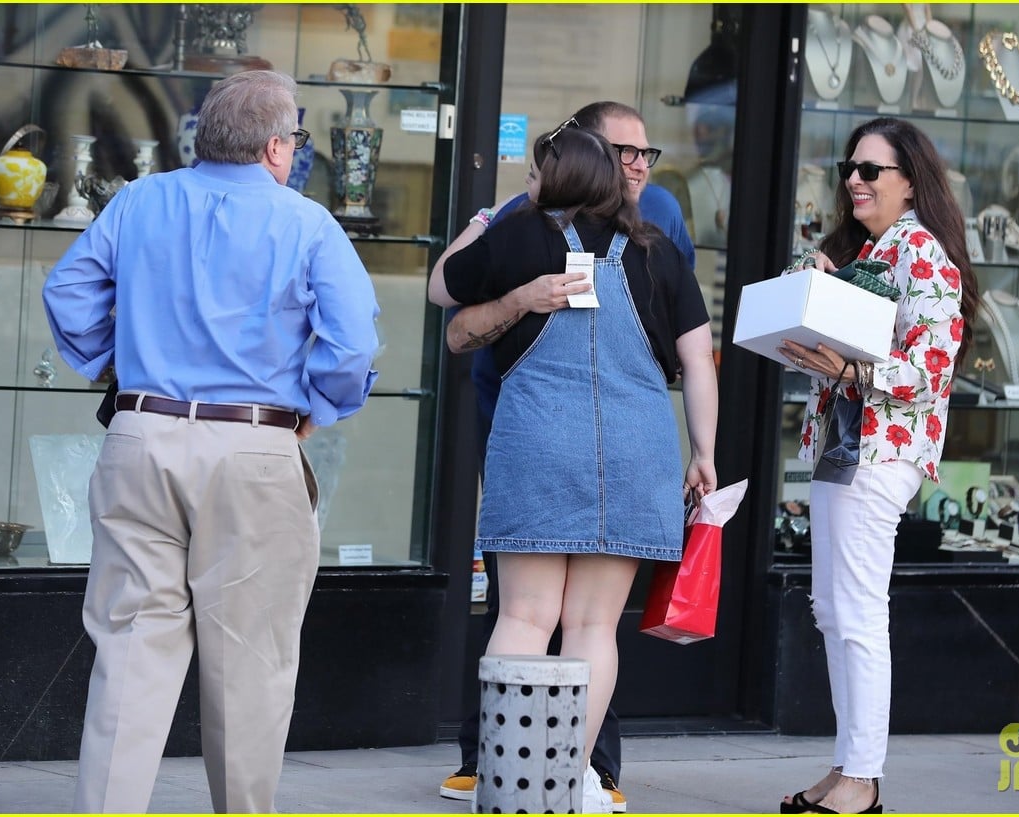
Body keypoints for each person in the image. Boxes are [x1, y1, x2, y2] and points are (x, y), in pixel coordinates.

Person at [42, 70, 380, 813]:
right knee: (253, 662)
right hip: (253, 446)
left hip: (141, 432)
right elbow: (352, 347)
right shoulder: (309, 223)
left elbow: (67, 292)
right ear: (276, 147)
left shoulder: (139, 201)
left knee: (131, 651)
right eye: (294, 138)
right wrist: (319, 406)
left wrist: (115, 362)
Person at [428, 120, 717, 813]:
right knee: (592, 626)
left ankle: (508, 777)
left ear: (556, 178)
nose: (531, 183)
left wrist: (481, 221)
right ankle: (570, 776)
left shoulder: (517, 236)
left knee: (524, 616)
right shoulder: (657, 252)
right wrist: (704, 451)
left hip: (537, 441)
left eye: (537, 172)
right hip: (637, 450)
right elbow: (699, 361)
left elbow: (443, 288)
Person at [775, 117, 977, 815]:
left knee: (856, 611)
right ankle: (848, 764)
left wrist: (850, 368)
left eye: (871, 170)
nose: (854, 181)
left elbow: (932, 368)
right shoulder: (870, 250)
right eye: (849, 169)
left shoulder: (921, 252)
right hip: (845, 444)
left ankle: (862, 777)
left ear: (910, 182)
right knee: (833, 609)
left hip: (881, 449)